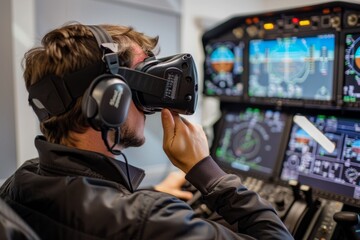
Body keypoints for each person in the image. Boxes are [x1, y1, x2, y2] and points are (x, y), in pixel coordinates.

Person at [0, 22, 293, 239]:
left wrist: (149, 195)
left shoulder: (20, 182)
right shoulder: (152, 221)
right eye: (145, 75)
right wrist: (207, 172)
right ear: (110, 98)